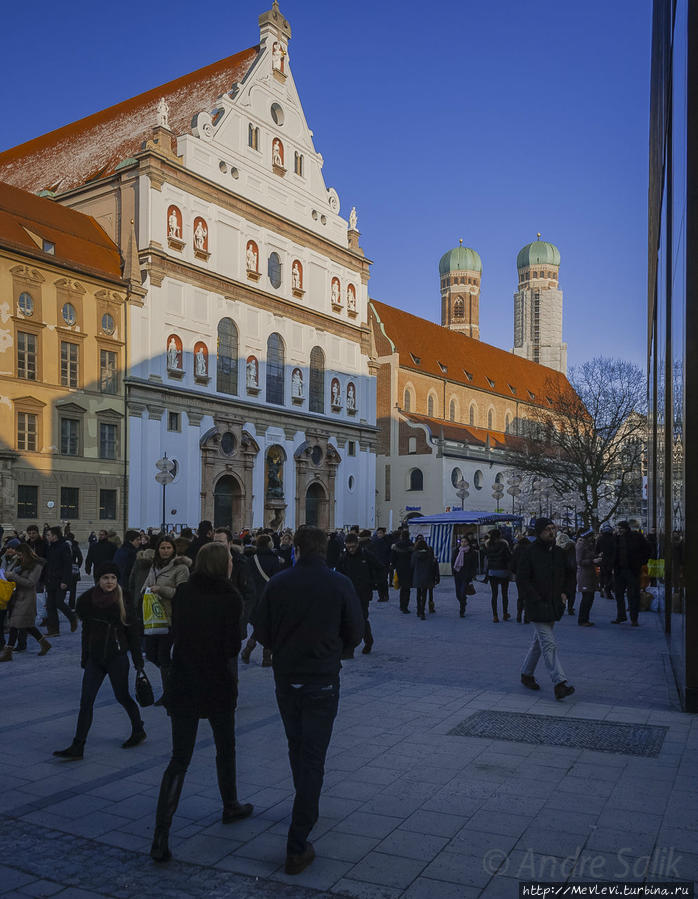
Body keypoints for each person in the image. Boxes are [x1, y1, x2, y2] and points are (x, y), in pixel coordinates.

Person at [252, 526, 364, 876]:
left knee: (297, 745)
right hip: (322, 679)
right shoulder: (339, 582)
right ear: (326, 549)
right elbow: (356, 632)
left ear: (296, 549)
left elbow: (261, 631)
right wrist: (335, 650)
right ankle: (298, 841)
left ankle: (305, 804)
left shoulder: (279, 582)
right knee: (313, 754)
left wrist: (282, 647)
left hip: (287, 676)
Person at [150, 542, 253, 863]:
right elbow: (232, 645)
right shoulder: (230, 597)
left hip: (183, 680)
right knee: (226, 746)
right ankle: (230, 804)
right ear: (221, 565)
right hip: (217, 682)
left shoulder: (185, 592)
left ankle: (160, 836)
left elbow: (178, 631)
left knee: (179, 758)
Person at [53, 562, 145, 760]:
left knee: (122, 696)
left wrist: (138, 661)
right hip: (96, 658)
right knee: (86, 701)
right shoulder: (87, 600)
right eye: (105, 578)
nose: (110, 582)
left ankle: (138, 730)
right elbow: (86, 632)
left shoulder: (124, 598)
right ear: (98, 580)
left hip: (117, 657)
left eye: (113, 578)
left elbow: (133, 633)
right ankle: (78, 746)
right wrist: (85, 657)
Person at [517, 518, 575, 700]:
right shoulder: (529, 552)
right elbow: (522, 579)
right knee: (548, 643)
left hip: (553, 604)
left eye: (553, 528)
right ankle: (559, 682)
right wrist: (534, 598)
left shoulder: (558, 552)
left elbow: (569, 573)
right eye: (548, 529)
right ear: (540, 531)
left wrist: (566, 593)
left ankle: (526, 674)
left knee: (539, 643)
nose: (552, 532)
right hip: (536, 605)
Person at [142, 537, 191, 705]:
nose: (165, 551)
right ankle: (176, 678)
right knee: (150, 654)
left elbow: (182, 593)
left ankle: (169, 694)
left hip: (169, 618)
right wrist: (145, 591)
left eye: (168, 548)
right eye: (162, 548)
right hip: (152, 617)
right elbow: (146, 584)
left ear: (174, 550)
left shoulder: (181, 568)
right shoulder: (154, 566)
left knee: (163, 656)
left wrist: (160, 590)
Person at [0, 542, 50, 660]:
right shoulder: (21, 563)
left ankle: (8, 653)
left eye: (20, 555)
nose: (19, 557)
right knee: (24, 625)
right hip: (16, 596)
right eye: (18, 555)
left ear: (26, 553)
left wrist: (13, 576)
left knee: (16, 623)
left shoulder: (37, 565)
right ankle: (45, 644)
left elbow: (31, 582)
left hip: (27, 598)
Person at [336, 532, 382, 653]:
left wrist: (374, 582)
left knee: (362, 619)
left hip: (363, 593)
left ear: (357, 544)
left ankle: (368, 641)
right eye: (348, 547)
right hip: (348, 594)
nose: (351, 549)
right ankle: (348, 646)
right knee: (346, 620)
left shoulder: (366, 555)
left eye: (353, 547)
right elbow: (339, 575)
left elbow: (380, 567)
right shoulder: (343, 558)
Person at [240, 534, 282, 666]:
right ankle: (266, 656)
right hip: (270, 596)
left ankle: (248, 649)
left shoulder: (252, 559)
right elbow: (277, 580)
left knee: (260, 624)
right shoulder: (275, 560)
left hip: (255, 597)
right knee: (268, 625)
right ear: (270, 544)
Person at [612, 521, 650, 626]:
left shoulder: (636, 536)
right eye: (618, 528)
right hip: (620, 570)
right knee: (619, 594)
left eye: (620, 528)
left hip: (632, 570)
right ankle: (621, 616)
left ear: (625, 528)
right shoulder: (616, 538)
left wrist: (641, 562)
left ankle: (633, 618)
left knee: (633, 594)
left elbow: (647, 549)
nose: (618, 530)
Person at [44, 526, 78, 637]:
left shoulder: (64, 546)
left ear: (55, 536)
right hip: (50, 580)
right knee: (50, 606)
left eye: (48, 535)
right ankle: (54, 630)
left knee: (59, 602)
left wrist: (65, 581)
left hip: (60, 580)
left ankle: (72, 618)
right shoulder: (50, 547)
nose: (47, 537)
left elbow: (68, 565)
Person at [486, 529, 512, 622]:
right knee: (504, 594)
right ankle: (505, 613)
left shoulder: (488, 545)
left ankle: (495, 616)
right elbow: (509, 557)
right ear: (500, 535)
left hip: (492, 571)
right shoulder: (504, 544)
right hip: (503, 571)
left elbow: (487, 559)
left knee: (494, 594)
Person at [576, 528, 599, 627]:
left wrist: (596, 556)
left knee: (590, 598)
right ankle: (582, 619)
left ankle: (585, 618)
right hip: (584, 575)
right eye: (591, 535)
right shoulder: (581, 546)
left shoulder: (588, 545)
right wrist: (593, 561)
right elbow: (580, 561)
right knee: (587, 598)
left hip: (589, 574)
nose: (593, 537)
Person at [389, 529, 414, 614]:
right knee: (407, 588)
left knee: (402, 587)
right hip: (409, 568)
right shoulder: (411, 545)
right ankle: (405, 606)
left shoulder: (396, 545)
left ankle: (401, 605)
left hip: (399, 568)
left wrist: (393, 565)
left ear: (401, 536)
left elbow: (393, 557)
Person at [411, 537, 435, 621]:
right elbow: (432, 565)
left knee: (418, 593)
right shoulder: (429, 554)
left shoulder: (414, 554)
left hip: (417, 575)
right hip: (426, 576)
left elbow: (412, 565)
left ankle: (418, 609)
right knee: (424, 594)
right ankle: (422, 611)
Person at [452, 536, 477, 617]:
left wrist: (473, 574)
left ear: (468, 542)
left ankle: (462, 609)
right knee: (458, 594)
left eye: (465, 541)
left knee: (462, 592)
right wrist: (454, 572)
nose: (463, 543)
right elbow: (453, 562)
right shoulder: (456, 551)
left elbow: (474, 564)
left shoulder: (472, 552)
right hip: (458, 574)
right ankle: (463, 601)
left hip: (466, 575)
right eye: (462, 541)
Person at [510, 534, 531, 622]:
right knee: (528, 595)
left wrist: (515, 572)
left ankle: (519, 614)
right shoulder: (531, 549)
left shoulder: (517, 549)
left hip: (519, 575)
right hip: (529, 576)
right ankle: (526, 616)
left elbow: (512, 564)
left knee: (520, 595)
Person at [556, 532, 578, 616]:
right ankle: (570, 608)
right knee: (572, 591)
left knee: (562, 591)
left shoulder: (558, 549)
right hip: (572, 572)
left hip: (561, 572)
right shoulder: (572, 547)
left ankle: (562, 606)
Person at [369, 527, 392, 602]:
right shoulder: (375, 541)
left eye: (381, 533)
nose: (379, 534)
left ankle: (385, 595)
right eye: (378, 533)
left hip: (385, 563)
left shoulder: (387, 541)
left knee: (384, 580)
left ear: (384, 533)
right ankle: (381, 596)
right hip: (377, 563)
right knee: (378, 581)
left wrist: (389, 561)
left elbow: (389, 552)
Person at [595, 524, 616, 600]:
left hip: (602, 559)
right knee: (609, 575)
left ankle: (602, 588)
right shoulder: (613, 539)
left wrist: (599, 554)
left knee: (602, 575)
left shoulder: (600, 539)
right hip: (611, 560)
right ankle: (608, 590)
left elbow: (596, 550)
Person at [65, 531, 83, 610]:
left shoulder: (63, 545)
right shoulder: (75, 546)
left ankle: (61, 603)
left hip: (64, 569)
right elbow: (80, 558)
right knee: (73, 589)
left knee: (63, 587)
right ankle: (71, 605)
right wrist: (77, 565)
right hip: (73, 569)